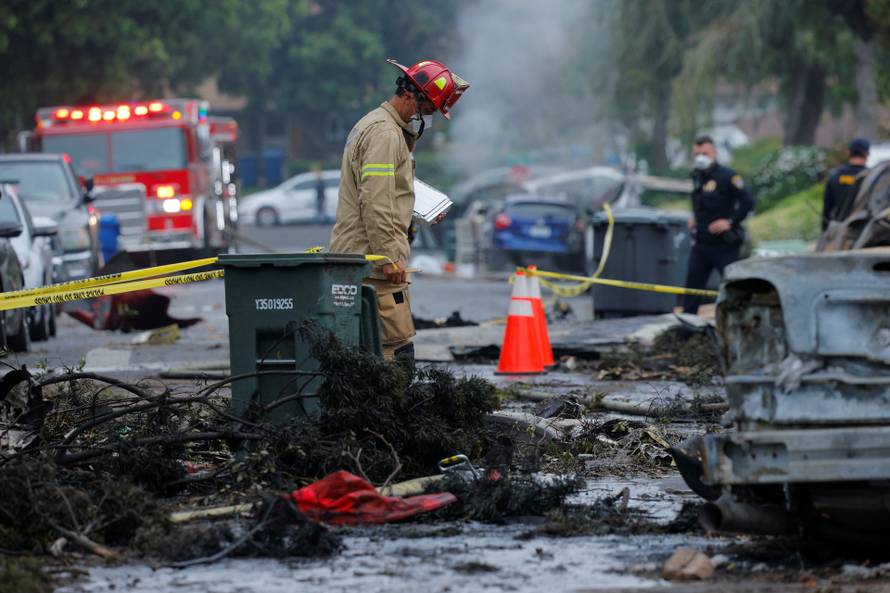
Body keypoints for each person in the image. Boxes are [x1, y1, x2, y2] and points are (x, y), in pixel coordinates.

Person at [329, 59, 469, 362]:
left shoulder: (379, 126)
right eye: (428, 111)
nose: (427, 120)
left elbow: (384, 189)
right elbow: (376, 201)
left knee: (364, 354)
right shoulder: (386, 134)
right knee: (394, 353)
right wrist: (389, 256)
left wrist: (419, 211)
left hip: (365, 259)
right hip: (373, 265)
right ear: (409, 96)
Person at [682, 135, 755, 314]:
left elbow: (748, 201)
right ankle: (687, 329)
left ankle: (743, 321)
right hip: (701, 242)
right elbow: (701, 204)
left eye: (704, 153)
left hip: (724, 244)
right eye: (696, 154)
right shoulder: (697, 176)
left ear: (714, 152)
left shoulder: (728, 176)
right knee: (692, 288)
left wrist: (730, 222)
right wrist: (696, 219)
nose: (700, 158)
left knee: (735, 287)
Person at [822, 138, 869, 231]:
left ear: (849, 152)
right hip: (863, 232)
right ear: (867, 154)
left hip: (837, 231)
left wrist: (825, 231)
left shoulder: (835, 176)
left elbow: (827, 209)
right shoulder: (871, 177)